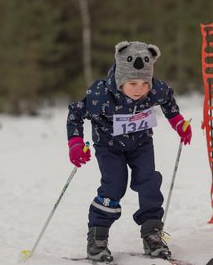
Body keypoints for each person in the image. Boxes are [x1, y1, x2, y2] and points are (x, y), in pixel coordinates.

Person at [66, 40, 192, 262]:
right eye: (132, 83)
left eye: (144, 83)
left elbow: (168, 100)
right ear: (120, 80)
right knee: (114, 186)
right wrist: (76, 142)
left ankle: (152, 233)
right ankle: (97, 236)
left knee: (149, 181)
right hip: (109, 146)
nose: (139, 89)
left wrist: (178, 122)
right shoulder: (101, 95)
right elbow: (76, 113)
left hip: (141, 144)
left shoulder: (154, 90)